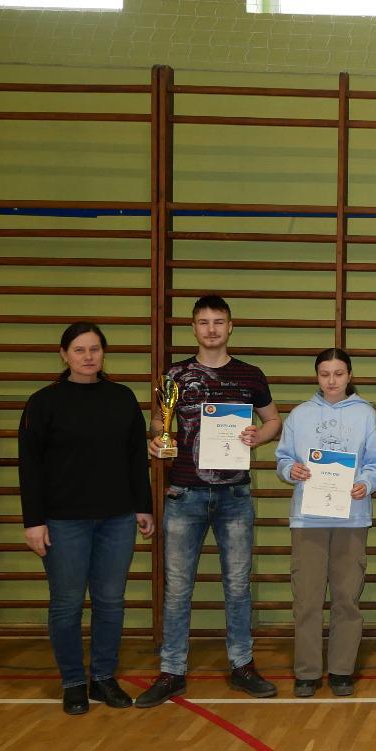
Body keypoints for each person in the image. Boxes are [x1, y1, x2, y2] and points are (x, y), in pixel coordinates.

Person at [137, 295, 281, 708]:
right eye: (204, 322)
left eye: (219, 321)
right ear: (194, 328)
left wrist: (258, 435)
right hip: (184, 494)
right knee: (178, 587)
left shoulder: (250, 375)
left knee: (237, 585)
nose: (212, 329)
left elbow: (273, 420)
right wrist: (157, 440)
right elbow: (158, 423)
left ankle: (242, 665)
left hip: (235, 495)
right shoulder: (175, 376)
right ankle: (172, 671)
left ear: (230, 326)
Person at [18, 321, 154, 715]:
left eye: (95, 349)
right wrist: (33, 521)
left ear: (103, 353)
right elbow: (30, 466)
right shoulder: (43, 402)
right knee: (67, 604)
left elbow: (135, 457)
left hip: (117, 519)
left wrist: (143, 506)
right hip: (63, 522)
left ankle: (103, 678)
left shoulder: (122, 398)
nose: (88, 356)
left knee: (111, 602)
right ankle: (74, 682)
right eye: (79, 350)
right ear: (64, 355)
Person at [274, 347, 376, 698]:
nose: (332, 381)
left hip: (352, 518)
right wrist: (290, 470)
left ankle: (341, 669)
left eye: (338, 374)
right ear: (317, 377)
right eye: (325, 374)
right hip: (308, 519)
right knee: (307, 599)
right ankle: (307, 671)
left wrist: (365, 483)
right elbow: (283, 459)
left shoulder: (365, 414)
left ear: (349, 376)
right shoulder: (300, 415)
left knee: (346, 598)